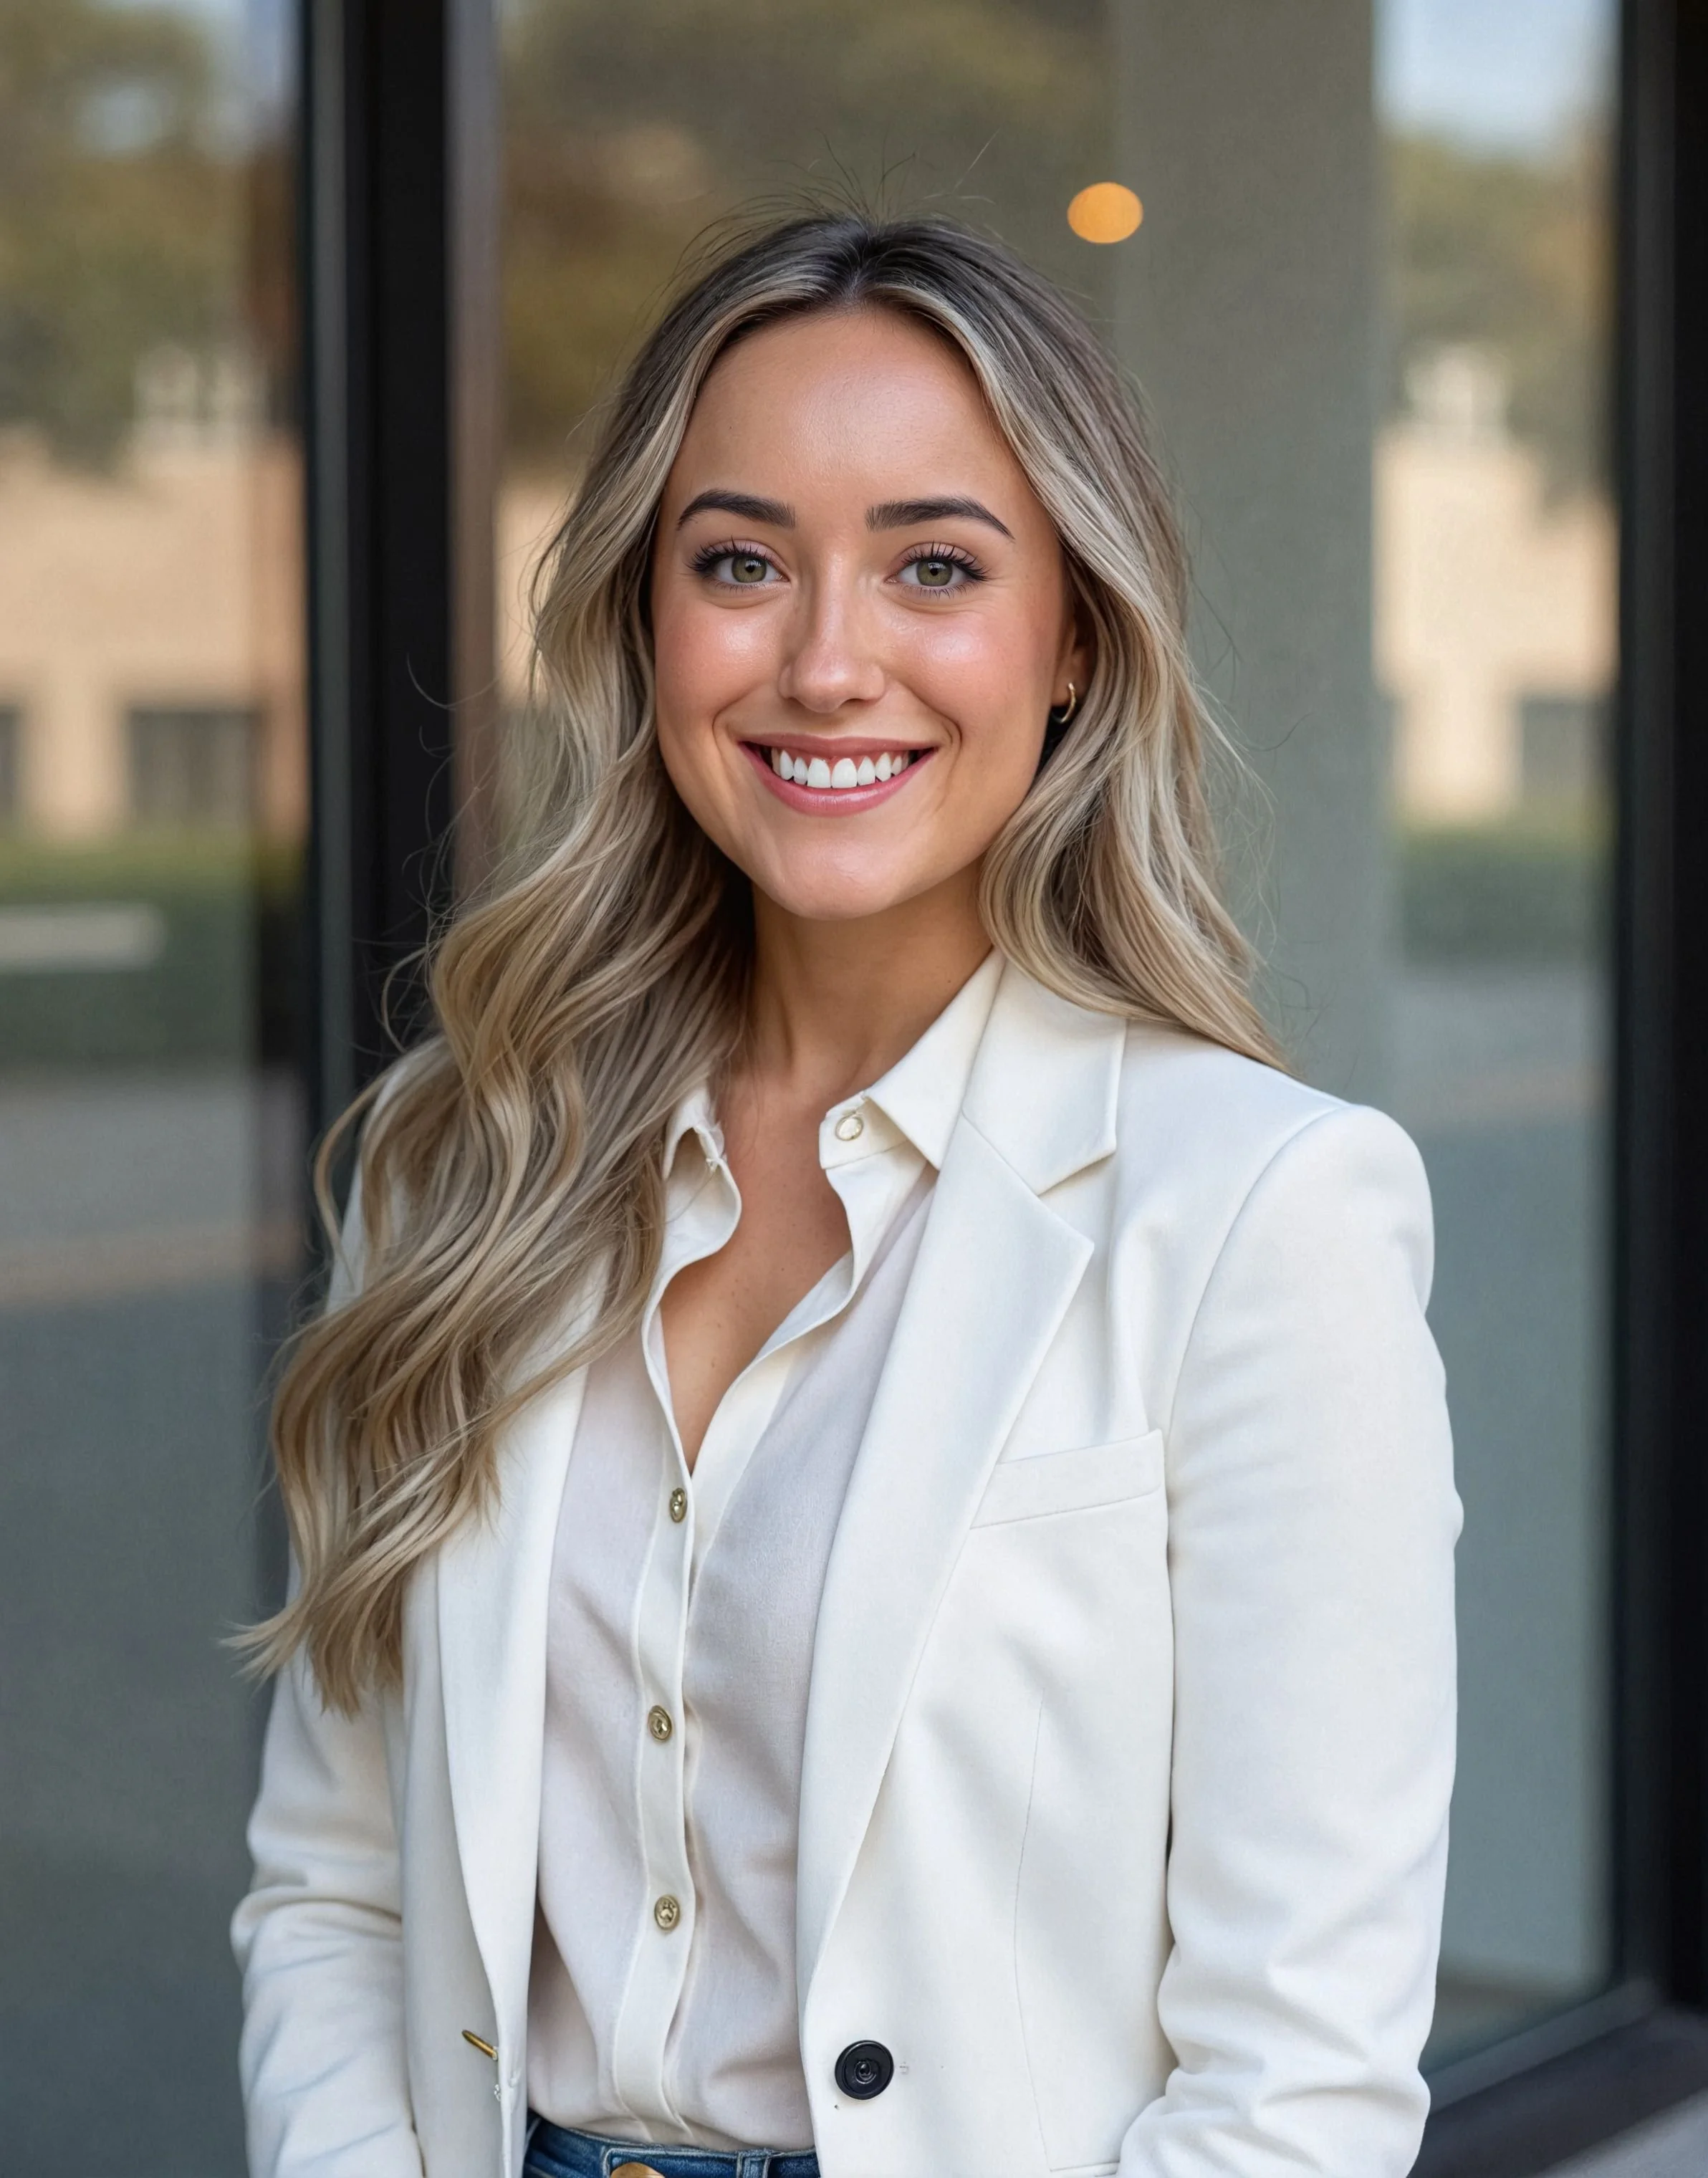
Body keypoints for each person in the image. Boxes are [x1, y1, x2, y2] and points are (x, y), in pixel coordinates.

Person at [233, 211, 1459, 2178]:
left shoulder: (1263, 1217)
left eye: (935, 568)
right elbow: (339, 1891)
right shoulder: (466, 1160)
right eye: (740, 564)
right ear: (645, 619)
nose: (824, 662)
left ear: (1072, 640)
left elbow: (1293, 2085)